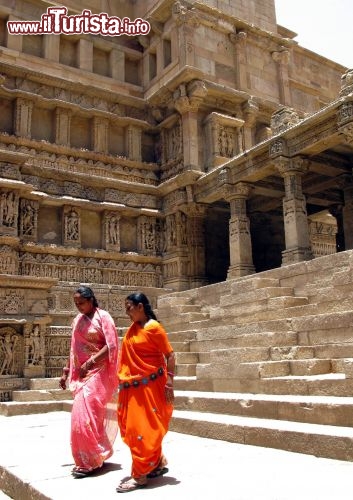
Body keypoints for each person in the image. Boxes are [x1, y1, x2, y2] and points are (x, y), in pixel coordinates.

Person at [116, 292, 175, 493]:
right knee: (140, 428)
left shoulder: (154, 328)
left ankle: (140, 476)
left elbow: (170, 355)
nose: (127, 312)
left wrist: (169, 382)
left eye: (129, 308)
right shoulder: (133, 329)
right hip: (133, 388)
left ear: (140, 307)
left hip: (151, 387)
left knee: (141, 430)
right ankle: (156, 463)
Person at [59, 286, 119, 478]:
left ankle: (91, 460)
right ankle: (89, 458)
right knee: (80, 417)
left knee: (88, 417)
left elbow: (111, 346)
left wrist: (91, 362)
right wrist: (67, 370)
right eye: (76, 304)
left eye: (81, 303)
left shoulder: (104, 317)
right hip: (80, 375)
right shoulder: (77, 320)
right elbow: (73, 348)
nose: (79, 307)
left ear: (91, 300)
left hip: (98, 373)